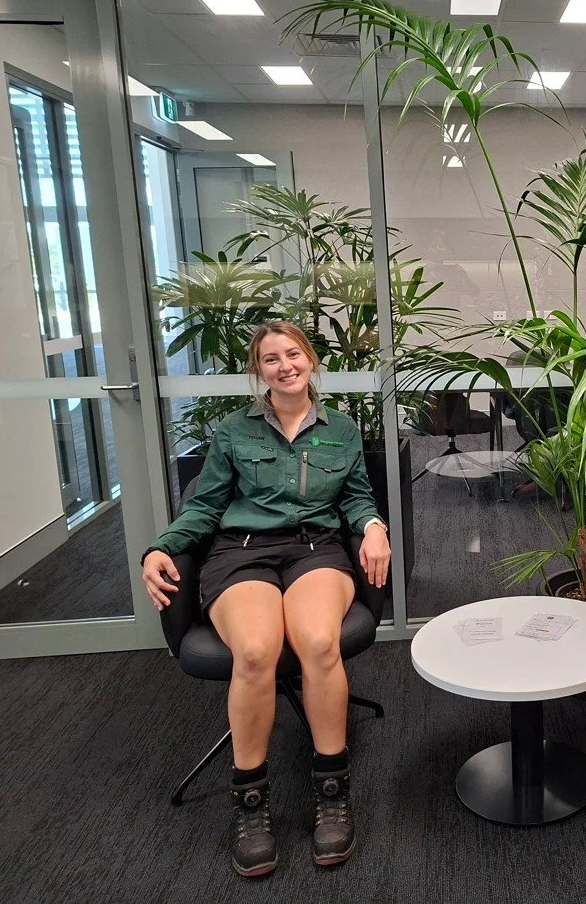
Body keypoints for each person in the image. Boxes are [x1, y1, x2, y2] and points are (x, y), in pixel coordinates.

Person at [141, 320, 391, 878]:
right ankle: (250, 805)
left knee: (319, 641)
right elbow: (204, 507)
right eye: (271, 359)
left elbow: (356, 499)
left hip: (316, 550)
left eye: (294, 354)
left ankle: (331, 792)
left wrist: (373, 525)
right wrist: (160, 547)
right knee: (255, 650)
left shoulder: (342, 429)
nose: (285, 365)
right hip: (242, 552)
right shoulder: (234, 431)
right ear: (259, 372)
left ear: (311, 360)